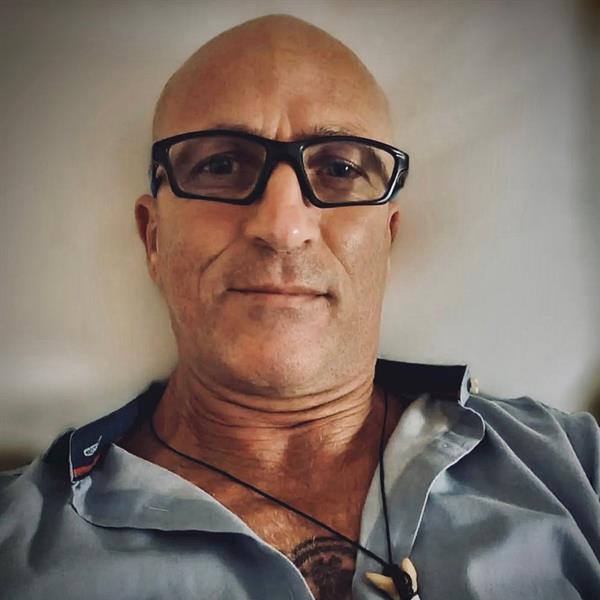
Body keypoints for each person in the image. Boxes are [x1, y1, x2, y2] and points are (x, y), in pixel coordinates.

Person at [1, 14, 599, 600]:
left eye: (340, 169)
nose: (282, 228)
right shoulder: (15, 548)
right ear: (152, 238)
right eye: (221, 165)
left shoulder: (576, 469)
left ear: (388, 240)